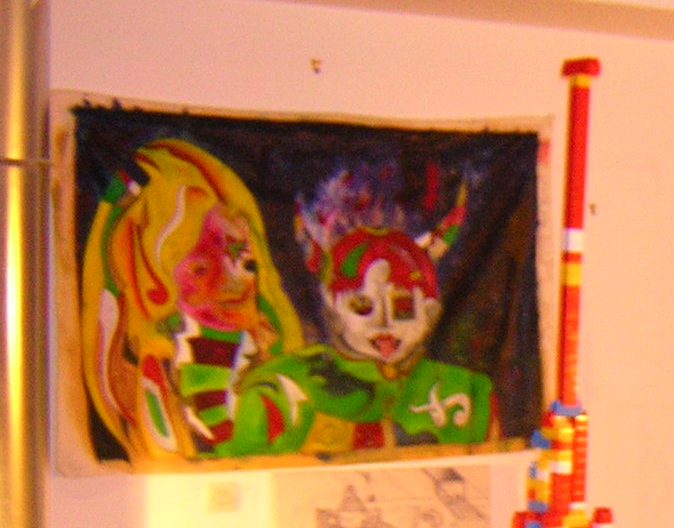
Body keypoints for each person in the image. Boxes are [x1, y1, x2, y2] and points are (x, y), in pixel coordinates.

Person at [221, 171, 499, 458]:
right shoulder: (283, 387)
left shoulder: (468, 393)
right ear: (333, 308)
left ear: (429, 312)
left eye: (403, 308)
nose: (384, 324)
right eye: (362, 306)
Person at [79, 138, 302, 463]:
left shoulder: (272, 349)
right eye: (200, 269)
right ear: (153, 278)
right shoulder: (150, 368)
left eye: (245, 262)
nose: (233, 283)